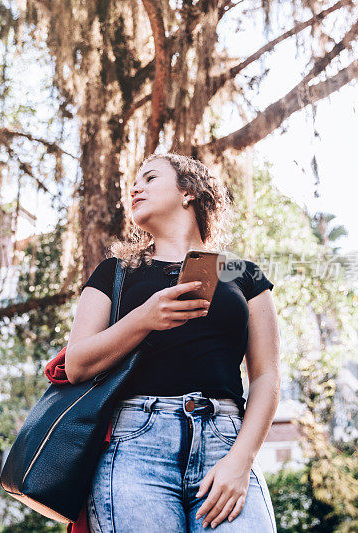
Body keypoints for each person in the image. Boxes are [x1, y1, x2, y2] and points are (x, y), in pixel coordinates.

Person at [64, 152, 280, 532]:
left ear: (189, 192)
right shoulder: (114, 272)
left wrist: (241, 460)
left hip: (225, 442)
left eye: (149, 178)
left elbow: (266, 377)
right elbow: (76, 363)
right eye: (135, 182)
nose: (135, 188)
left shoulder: (243, 273)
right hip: (134, 447)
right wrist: (144, 319)